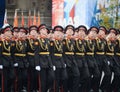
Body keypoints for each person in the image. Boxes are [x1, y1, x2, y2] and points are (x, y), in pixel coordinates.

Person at [36, 24, 54, 92]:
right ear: (40, 32)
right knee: (42, 81)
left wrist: (52, 63)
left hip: (49, 61)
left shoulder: (48, 40)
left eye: (45, 30)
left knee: (51, 77)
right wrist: (37, 64)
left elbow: (51, 52)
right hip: (41, 61)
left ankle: (48, 89)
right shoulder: (37, 41)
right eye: (42, 29)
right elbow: (36, 53)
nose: (44, 31)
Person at [50, 25, 67, 92]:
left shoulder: (62, 42)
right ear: (54, 33)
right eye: (57, 31)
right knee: (56, 79)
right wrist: (52, 64)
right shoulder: (52, 42)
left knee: (64, 77)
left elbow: (63, 53)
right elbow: (51, 54)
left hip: (61, 62)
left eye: (60, 32)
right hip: (55, 62)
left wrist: (64, 62)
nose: (58, 33)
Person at [63, 25, 80, 92]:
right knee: (66, 77)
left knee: (77, 75)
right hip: (66, 59)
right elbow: (62, 52)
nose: (70, 31)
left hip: (73, 60)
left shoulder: (74, 41)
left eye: (71, 30)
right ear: (66, 31)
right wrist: (64, 62)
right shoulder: (63, 40)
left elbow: (75, 51)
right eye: (68, 30)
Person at [74, 25, 90, 92]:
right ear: (77, 32)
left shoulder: (85, 41)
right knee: (77, 77)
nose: (82, 32)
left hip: (84, 61)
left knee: (87, 76)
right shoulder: (74, 41)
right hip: (76, 61)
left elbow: (85, 52)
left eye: (83, 31)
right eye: (80, 31)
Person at [12, 27, 28, 92]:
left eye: (23, 33)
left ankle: (22, 88)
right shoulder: (14, 42)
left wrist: (26, 61)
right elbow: (12, 53)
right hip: (18, 62)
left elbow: (26, 52)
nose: (22, 34)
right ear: (18, 34)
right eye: (20, 33)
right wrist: (15, 62)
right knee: (18, 78)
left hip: (24, 62)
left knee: (24, 76)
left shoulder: (25, 42)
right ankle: (16, 89)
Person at [85, 26, 100, 92]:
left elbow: (95, 51)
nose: (94, 34)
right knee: (88, 75)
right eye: (92, 32)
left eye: (95, 33)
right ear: (88, 33)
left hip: (93, 59)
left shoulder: (95, 41)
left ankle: (93, 87)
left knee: (97, 74)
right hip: (87, 59)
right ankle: (87, 88)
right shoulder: (85, 41)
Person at [1, 24, 14, 92]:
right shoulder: (1, 41)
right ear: (4, 32)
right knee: (4, 80)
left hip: (10, 62)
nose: (9, 33)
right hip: (3, 62)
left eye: (10, 31)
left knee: (11, 77)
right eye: (7, 31)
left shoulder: (11, 42)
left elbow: (12, 53)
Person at [27, 25, 39, 92]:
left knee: (36, 76)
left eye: (35, 31)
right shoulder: (27, 40)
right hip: (29, 59)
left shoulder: (38, 40)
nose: (34, 32)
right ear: (30, 33)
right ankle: (30, 89)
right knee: (30, 77)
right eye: (32, 31)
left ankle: (35, 88)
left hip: (36, 60)